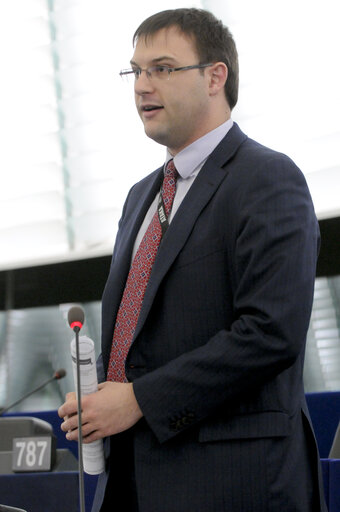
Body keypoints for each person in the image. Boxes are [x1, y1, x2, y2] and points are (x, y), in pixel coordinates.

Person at [58, 8, 327, 512]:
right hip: (129, 481)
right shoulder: (141, 196)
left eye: (161, 68)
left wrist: (138, 400)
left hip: (228, 484)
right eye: (134, 70)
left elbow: (271, 333)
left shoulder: (267, 178)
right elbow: (141, 337)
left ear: (214, 76)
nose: (142, 85)